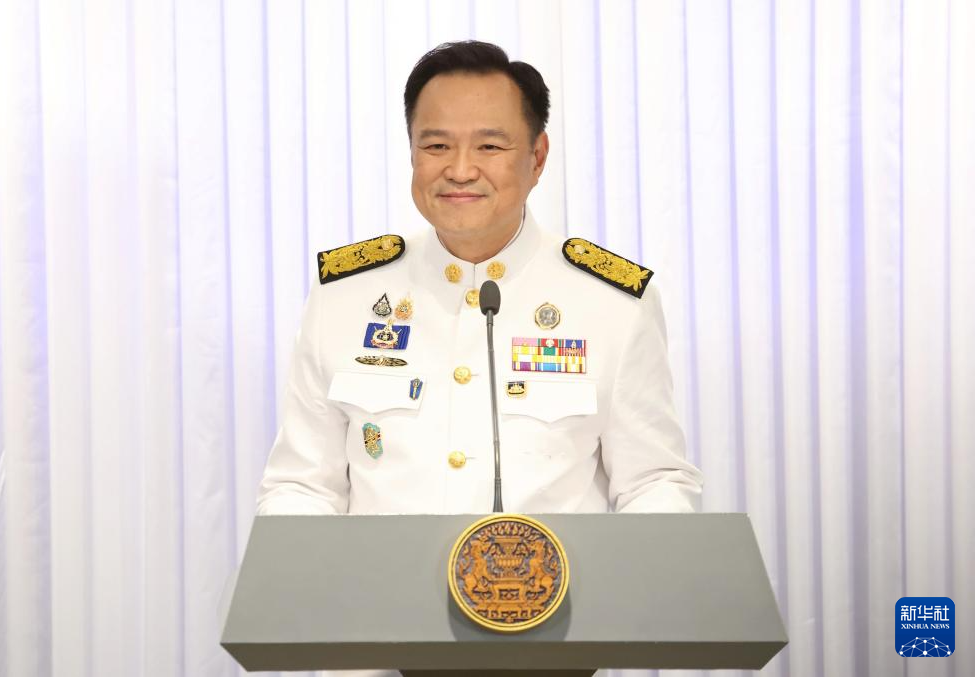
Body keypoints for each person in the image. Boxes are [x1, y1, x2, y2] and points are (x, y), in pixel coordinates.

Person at [257, 40, 702, 518]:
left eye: (489, 146)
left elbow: (652, 482)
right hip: (383, 570)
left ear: (537, 157)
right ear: (412, 153)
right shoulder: (344, 296)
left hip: (554, 569)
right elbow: (302, 486)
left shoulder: (613, 305)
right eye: (436, 146)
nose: (460, 170)